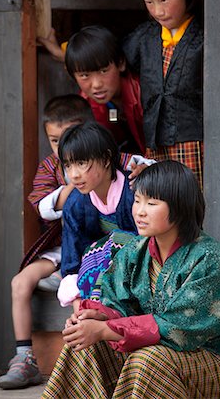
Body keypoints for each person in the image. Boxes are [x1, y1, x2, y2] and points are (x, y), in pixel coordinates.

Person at [42, 160, 220, 399]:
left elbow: (178, 330)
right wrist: (96, 317)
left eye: (152, 203)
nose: (140, 211)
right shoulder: (135, 251)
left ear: (180, 208)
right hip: (161, 354)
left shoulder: (208, 257)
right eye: (137, 201)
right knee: (84, 346)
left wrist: (105, 329)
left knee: (148, 358)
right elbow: (116, 304)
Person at [0, 94, 94, 390]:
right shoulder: (50, 167)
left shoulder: (100, 159)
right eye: (54, 140)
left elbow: (134, 167)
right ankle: (25, 357)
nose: (61, 146)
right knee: (20, 282)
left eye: (68, 137)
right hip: (59, 244)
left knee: (85, 282)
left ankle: (89, 361)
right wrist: (68, 188)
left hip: (96, 246)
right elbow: (41, 205)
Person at [123, 0, 204, 188]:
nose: (158, 11)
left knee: (192, 203)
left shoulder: (204, 38)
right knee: (163, 202)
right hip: (155, 143)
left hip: (193, 143)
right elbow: (114, 57)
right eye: (149, 2)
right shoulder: (145, 37)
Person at [56, 121, 140, 314]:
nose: (74, 175)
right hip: (98, 288)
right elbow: (72, 264)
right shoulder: (75, 203)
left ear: (106, 158)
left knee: (116, 242)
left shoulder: (134, 192)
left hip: (140, 276)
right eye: (68, 165)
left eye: (82, 163)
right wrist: (80, 308)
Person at [39, 25, 145, 154]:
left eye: (103, 71)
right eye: (84, 75)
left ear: (121, 63)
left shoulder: (143, 92)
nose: (96, 85)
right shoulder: (86, 103)